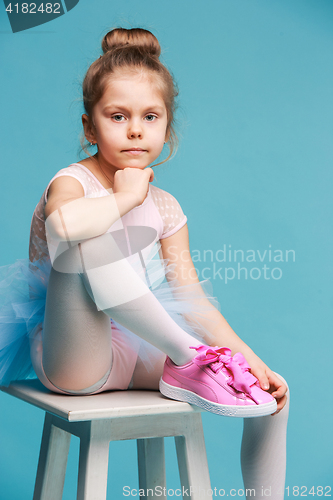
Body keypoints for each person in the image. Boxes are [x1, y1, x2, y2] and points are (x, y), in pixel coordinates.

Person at [0, 28, 289, 498]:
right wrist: (124, 196)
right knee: (84, 241)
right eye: (118, 116)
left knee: (269, 391)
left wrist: (252, 360)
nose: (135, 129)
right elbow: (63, 230)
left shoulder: (168, 207)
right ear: (90, 128)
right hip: (76, 356)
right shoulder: (70, 182)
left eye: (150, 117)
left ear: (165, 128)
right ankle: (192, 357)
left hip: (140, 348)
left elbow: (192, 297)